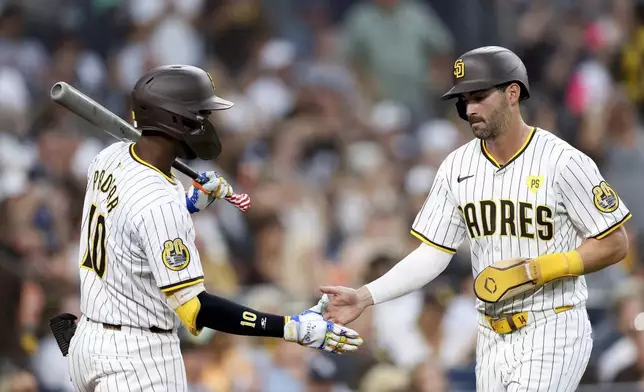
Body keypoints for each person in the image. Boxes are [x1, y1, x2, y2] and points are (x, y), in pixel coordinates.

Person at [320, 46, 632, 391]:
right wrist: (365, 295)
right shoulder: (456, 167)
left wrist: (538, 269)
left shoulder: (563, 161)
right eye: (463, 101)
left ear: (512, 93)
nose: (470, 109)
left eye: (480, 97)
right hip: (490, 334)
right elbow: (433, 253)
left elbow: (615, 242)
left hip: (552, 325)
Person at [56, 65, 363, 391]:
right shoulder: (159, 202)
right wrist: (290, 328)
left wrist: (189, 204)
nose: (208, 123)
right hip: (137, 357)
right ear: (177, 121)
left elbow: (129, 228)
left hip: (89, 341)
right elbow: (195, 308)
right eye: (201, 114)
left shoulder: (109, 157)